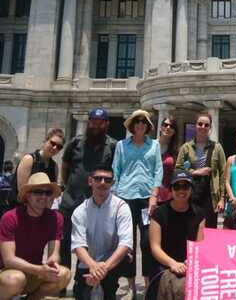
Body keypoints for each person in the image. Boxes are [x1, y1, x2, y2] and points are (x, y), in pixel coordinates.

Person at [59, 108, 117, 285]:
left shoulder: (112, 145)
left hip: (96, 204)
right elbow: (65, 165)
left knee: (90, 244)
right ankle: (61, 283)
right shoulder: (75, 142)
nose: (96, 125)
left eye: (100, 122)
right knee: (64, 243)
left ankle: (83, 281)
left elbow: (115, 171)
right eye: (93, 121)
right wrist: (67, 185)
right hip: (72, 200)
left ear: (106, 124)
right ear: (89, 122)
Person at [0, 172, 71, 299]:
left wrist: (53, 261)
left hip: (35, 273)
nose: (43, 196)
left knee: (64, 274)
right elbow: (9, 260)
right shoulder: (11, 217)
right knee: (15, 279)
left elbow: (54, 253)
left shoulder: (56, 218)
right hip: (7, 272)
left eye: (47, 193)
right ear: (27, 196)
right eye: (38, 192)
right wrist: (39, 270)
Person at [113, 109, 162, 292]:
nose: (140, 124)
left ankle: (148, 284)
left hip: (146, 198)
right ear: (132, 125)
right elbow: (116, 170)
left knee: (147, 241)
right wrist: (116, 196)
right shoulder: (121, 145)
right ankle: (131, 286)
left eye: (144, 121)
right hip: (125, 196)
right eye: (137, 121)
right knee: (128, 242)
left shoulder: (154, 145)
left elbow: (158, 170)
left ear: (148, 125)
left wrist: (154, 196)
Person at [71, 165, 133, 300]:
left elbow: (126, 244)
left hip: (114, 261)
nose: (103, 183)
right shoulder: (80, 211)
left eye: (107, 180)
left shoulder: (122, 207)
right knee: (82, 294)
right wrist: (93, 267)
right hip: (88, 261)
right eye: (98, 179)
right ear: (90, 181)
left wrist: (102, 269)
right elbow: (78, 245)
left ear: (113, 183)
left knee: (107, 293)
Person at [150, 170, 206, 299]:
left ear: (191, 189)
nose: (181, 191)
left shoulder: (199, 214)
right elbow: (155, 247)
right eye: (177, 186)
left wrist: (191, 262)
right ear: (171, 189)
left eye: (185, 186)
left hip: (189, 264)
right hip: (164, 264)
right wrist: (172, 263)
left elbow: (199, 246)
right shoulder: (159, 213)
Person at [175, 111, 226, 229]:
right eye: (200, 124)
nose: (203, 127)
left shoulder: (217, 147)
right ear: (195, 125)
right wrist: (196, 172)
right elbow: (178, 169)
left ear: (210, 127)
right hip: (191, 192)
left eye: (206, 125)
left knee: (209, 229)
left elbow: (223, 173)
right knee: (190, 227)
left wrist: (222, 199)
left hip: (210, 193)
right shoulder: (186, 147)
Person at [14, 128, 65, 205]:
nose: (55, 148)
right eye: (53, 143)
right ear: (45, 141)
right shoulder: (29, 159)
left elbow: (51, 194)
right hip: (22, 208)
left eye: (59, 147)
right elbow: (22, 192)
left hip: (41, 211)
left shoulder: (54, 166)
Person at [0, 161, 15, 248]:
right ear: (12, 169)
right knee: (7, 223)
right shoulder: (13, 178)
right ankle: (4, 241)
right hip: (8, 204)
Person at [156, 115, 179, 204]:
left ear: (174, 131)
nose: (168, 127)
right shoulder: (151, 146)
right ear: (161, 127)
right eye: (165, 125)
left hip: (167, 196)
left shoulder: (176, 152)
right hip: (148, 193)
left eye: (171, 126)